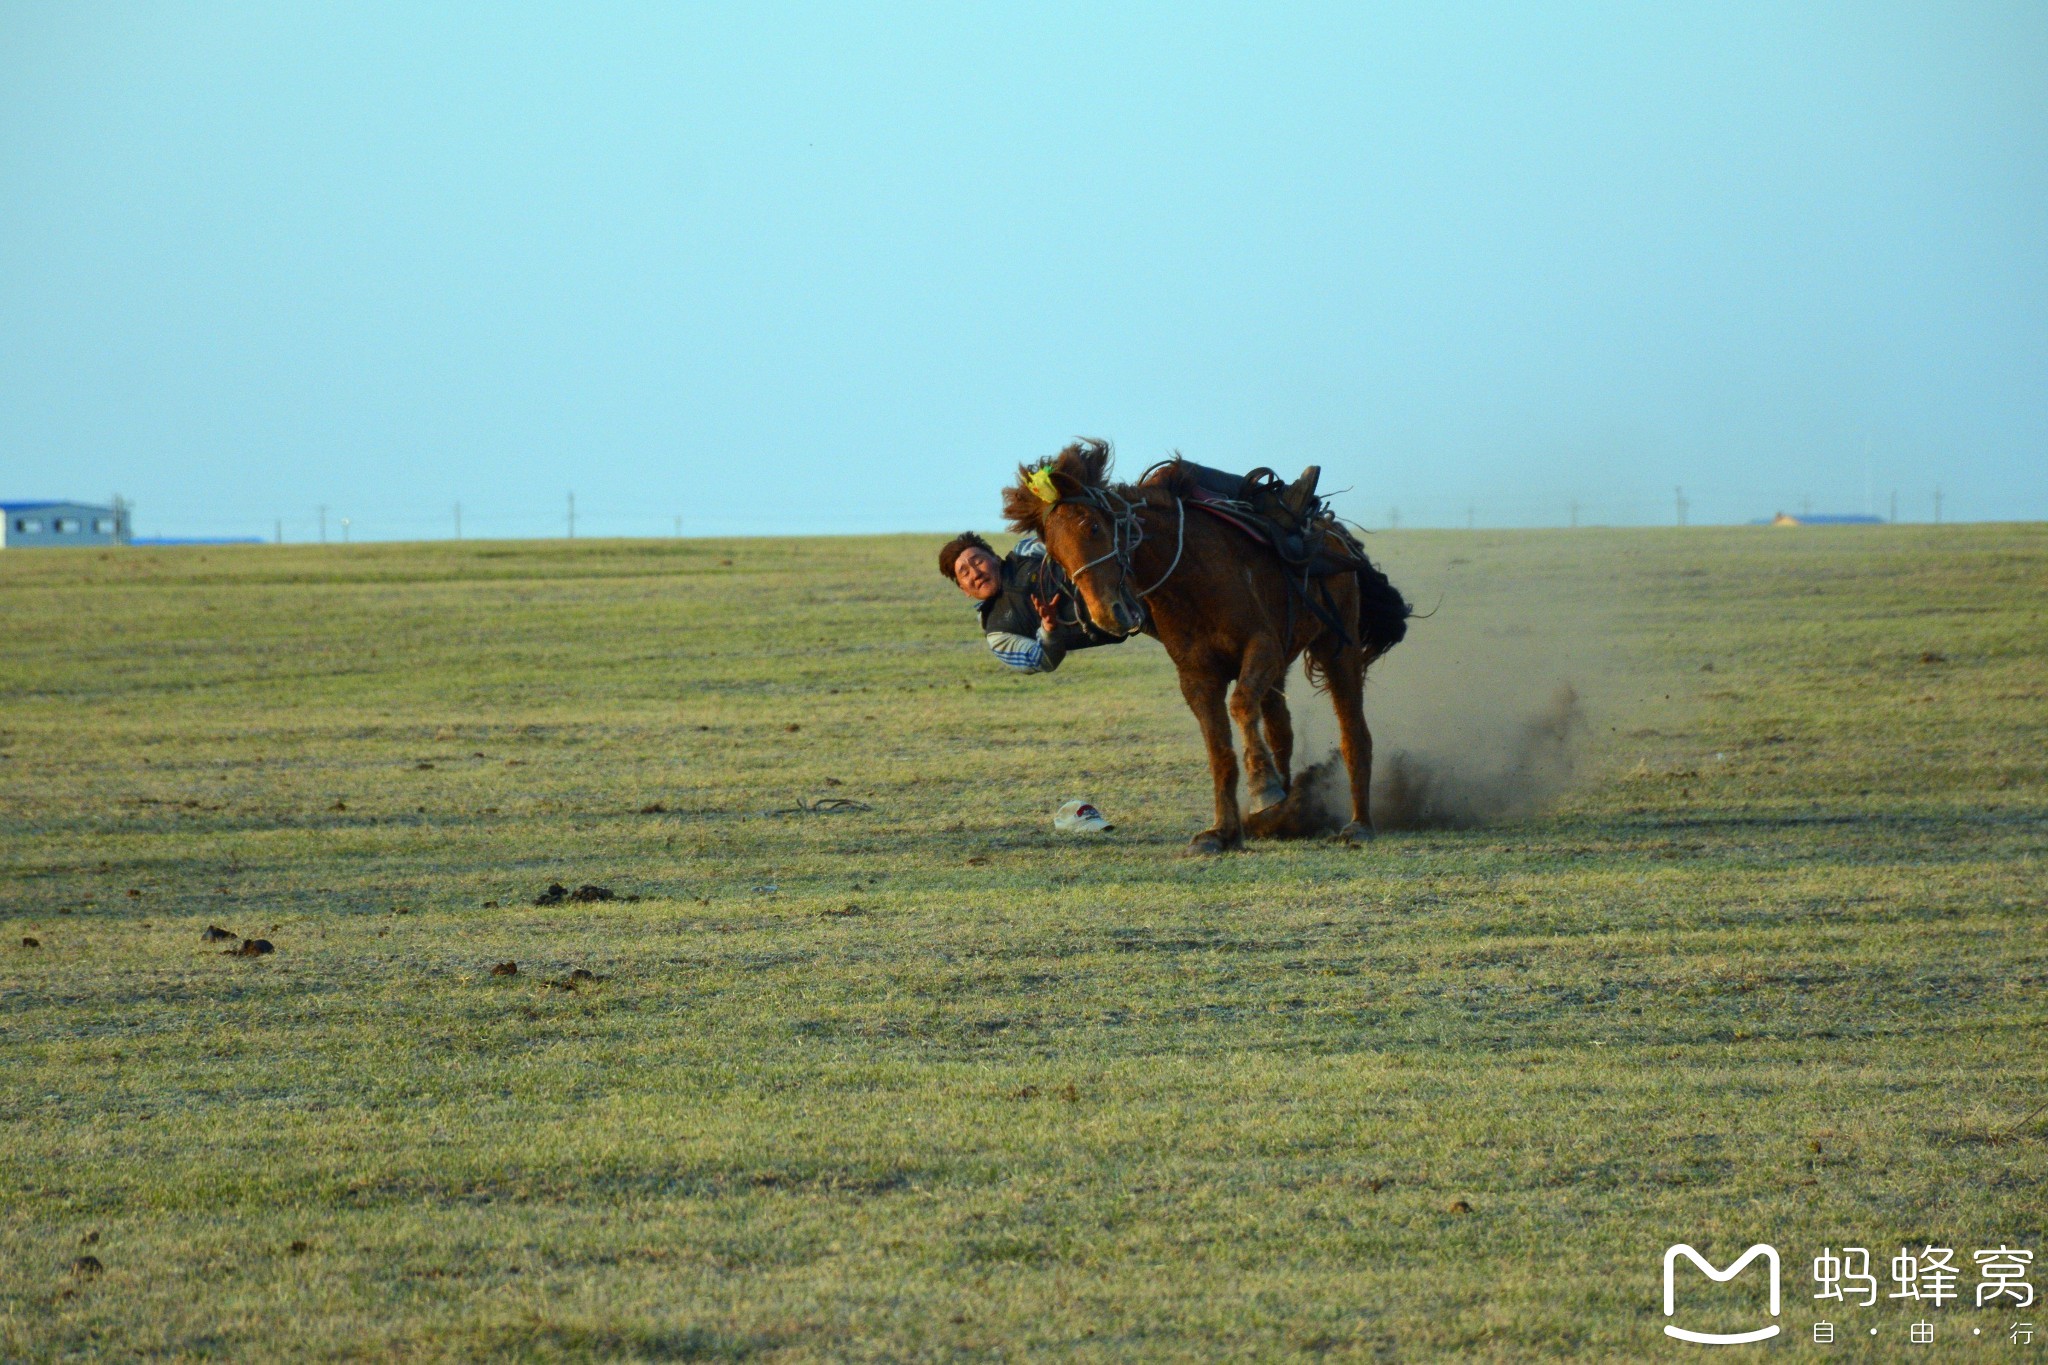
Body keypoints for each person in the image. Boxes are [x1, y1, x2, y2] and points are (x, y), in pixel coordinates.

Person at [938, 529, 1124, 674]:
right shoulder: (999, 634)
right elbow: (1043, 661)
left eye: (978, 561)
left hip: (1123, 577)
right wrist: (1049, 628)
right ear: (964, 590)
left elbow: (1071, 541)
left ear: (995, 558)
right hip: (1119, 622)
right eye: (965, 572)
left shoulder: (1025, 552)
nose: (976, 573)